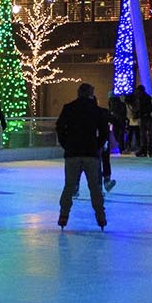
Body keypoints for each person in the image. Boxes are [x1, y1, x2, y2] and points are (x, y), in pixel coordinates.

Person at [55, 82, 110, 229]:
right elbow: (104, 132)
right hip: (90, 154)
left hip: (72, 153)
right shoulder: (97, 111)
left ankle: (63, 215)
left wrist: (66, 144)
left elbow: (59, 128)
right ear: (91, 93)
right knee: (94, 187)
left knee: (69, 186)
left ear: (78, 92)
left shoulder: (69, 108)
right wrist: (97, 146)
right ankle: (101, 216)